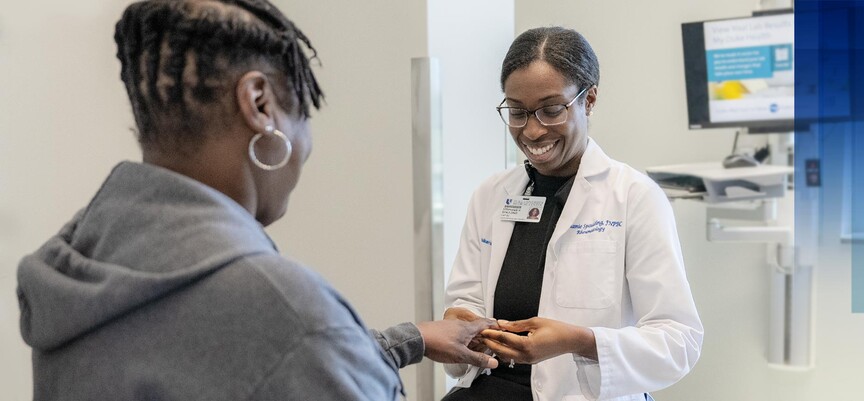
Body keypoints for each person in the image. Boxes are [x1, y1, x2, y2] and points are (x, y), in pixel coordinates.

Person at [14, 1, 494, 399]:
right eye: (302, 111)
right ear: (260, 104)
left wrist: (405, 341)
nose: (306, 145)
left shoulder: (76, 269)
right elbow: (287, 343)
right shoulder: (286, 309)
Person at [441, 27, 703, 401]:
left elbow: (679, 341)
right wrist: (460, 322)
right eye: (516, 112)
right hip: (491, 388)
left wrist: (580, 342)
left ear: (589, 99)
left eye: (551, 110)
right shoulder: (490, 195)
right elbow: (465, 300)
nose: (532, 130)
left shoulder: (634, 197)